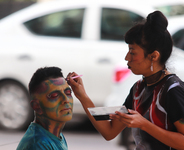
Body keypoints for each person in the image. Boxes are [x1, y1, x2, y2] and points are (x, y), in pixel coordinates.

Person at [66, 11, 184, 150]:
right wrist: (82, 95)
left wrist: (144, 125)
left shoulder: (173, 89)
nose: (127, 57)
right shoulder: (139, 89)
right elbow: (110, 131)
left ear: (154, 56)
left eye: (133, 52)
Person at [17, 66, 73, 150]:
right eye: (55, 96)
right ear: (36, 106)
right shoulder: (38, 144)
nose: (66, 100)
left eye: (68, 93)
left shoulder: (56, 135)